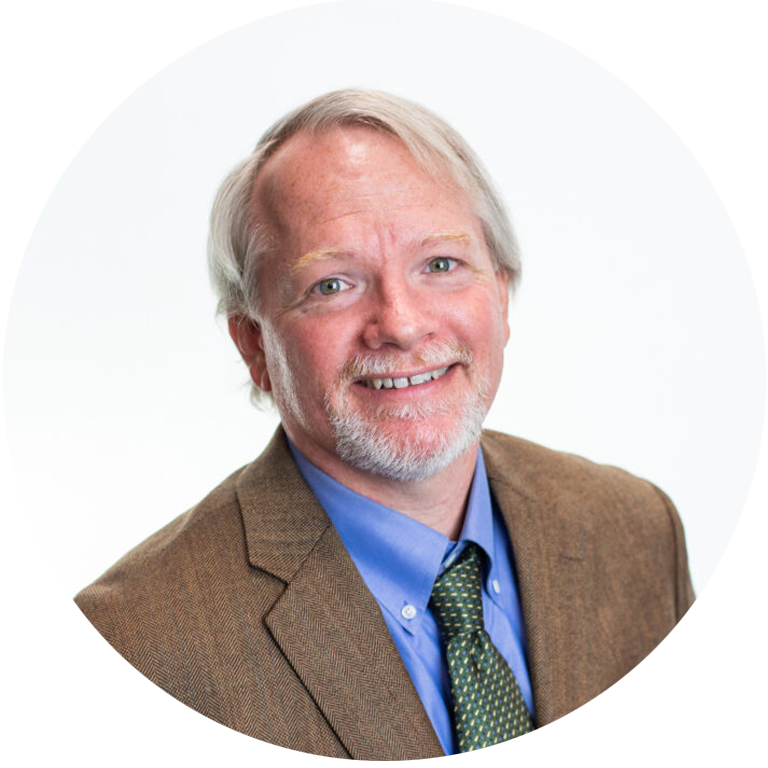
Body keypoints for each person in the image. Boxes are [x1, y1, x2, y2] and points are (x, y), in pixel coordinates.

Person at [11, 89, 725, 761]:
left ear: (502, 296)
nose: (402, 324)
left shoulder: (634, 530)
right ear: (253, 343)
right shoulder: (123, 668)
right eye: (332, 284)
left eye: (440, 263)